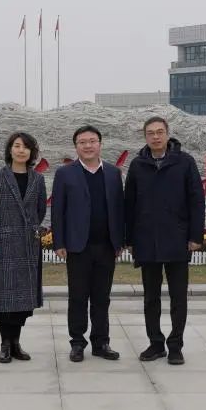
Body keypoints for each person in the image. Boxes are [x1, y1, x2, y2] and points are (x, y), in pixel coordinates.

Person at [124, 116, 204, 365]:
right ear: (145, 137)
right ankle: (156, 343)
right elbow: (129, 204)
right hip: (146, 240)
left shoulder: (184, 162)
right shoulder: (138, 164)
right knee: (151, 297)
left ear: (168, 134)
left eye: (160, 132)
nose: (156, 137)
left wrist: (195, 236)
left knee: (178, 297)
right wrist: (129, 238)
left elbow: (196, 200)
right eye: (151, 133)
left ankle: (176, 345)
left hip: (177, 238)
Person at [51, 125, 125, 362]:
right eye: (82, 142)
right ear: (76, 147)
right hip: (77, 246)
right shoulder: (65, 174)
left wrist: (119, 240)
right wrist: (59, 242)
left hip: (106, 246)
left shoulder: (113, 173)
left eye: (92, 141)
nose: (88, 145)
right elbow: (58, 210)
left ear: (100, 144)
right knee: (78, 297)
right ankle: (77, 342)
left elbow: (119, 208)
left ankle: (101, 342)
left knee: (102, 298)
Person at [0, 132, 47, 363]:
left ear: (32, 152)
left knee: (22, 300)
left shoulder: (37, 179)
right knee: (5, 299)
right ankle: (5, 344)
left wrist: (32, 229)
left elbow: (40, 210)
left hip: (28, 244)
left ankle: (16, 343)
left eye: (26, 147)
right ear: (10, 149)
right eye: (17, 146)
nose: (21, 150)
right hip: (4, 244)